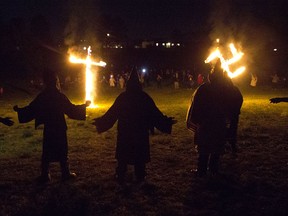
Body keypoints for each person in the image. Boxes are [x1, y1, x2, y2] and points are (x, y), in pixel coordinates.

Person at [92, 67, 176, 185]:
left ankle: (121, 173)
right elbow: (155, 114)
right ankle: (139, 174)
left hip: (125, 132)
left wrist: (101, 122)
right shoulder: (144, 97)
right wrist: (166, 122)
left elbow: (112, 114)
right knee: (139, 154)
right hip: (140, 132)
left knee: (124, 154)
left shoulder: (123, 97)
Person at [13, 69, 90, 184]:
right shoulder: (58, 96)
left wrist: (19, 110)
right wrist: (84, 106)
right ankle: (64, 173)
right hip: (59, 127)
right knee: (62, 150)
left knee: (48, 150)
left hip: (49, 127)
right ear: (55, 81)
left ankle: (46, 174)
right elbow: (71, 109)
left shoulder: (43, 96)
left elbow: (31, 109)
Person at [186, 61, 230, 177]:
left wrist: (196, 120)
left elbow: (196, 106)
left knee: (205, 148)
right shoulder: (226, 89)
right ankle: (213, 169)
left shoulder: (204, 89)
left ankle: (203, 171)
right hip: (218, 123)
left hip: (207, 123)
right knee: (215, 147)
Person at [224, 73, 243, 156]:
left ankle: (230, 146)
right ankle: (231, 146)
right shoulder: (234, 88)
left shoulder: (223, 89)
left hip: (227, 113)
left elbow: (240, 99)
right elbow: (240, 99)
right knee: (232, 129)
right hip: (232, 113)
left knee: (226, 129)